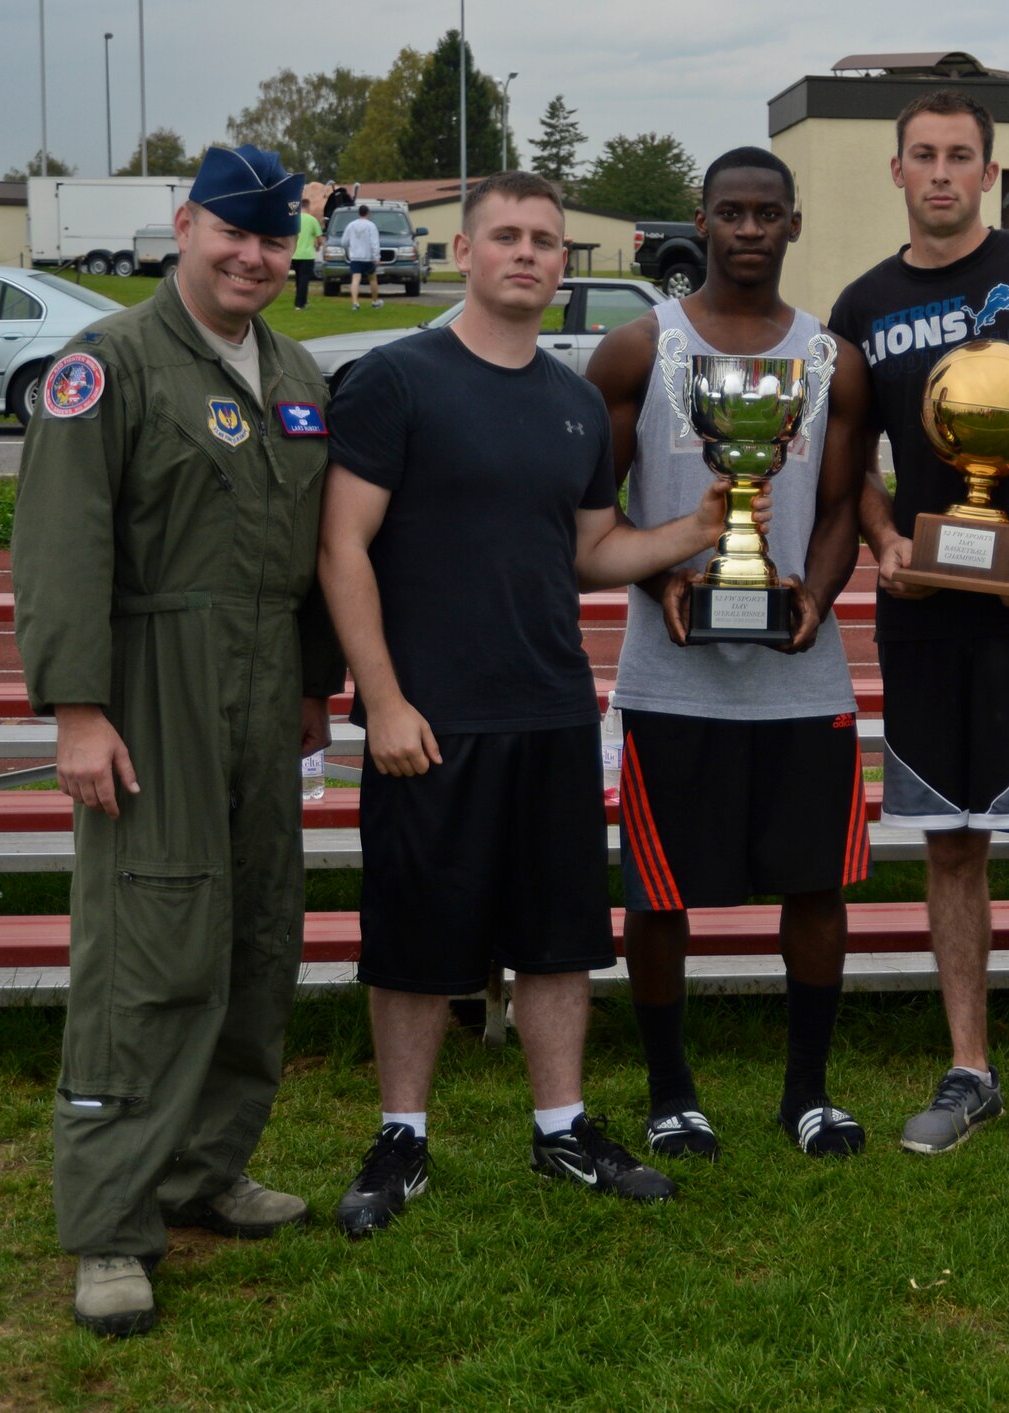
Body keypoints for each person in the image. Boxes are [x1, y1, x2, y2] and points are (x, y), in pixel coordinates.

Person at [318, 171, 742, 1236]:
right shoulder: (395, 380)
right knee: (414, 938)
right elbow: (342, 548)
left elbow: (594, 551)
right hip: (428, 718)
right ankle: (400, 1139)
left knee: (559, 939)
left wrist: (692, 534)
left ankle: (562, 1128)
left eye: (546, 241)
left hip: (551, 710)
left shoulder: (569, 402)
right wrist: (383, 699)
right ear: (460, 252)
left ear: (565, 264)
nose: (527, 253)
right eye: (504, 236)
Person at [13, 144, 337, 1336]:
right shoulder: (109, 369)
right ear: (183, 224)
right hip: (151, 689)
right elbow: (60, 546)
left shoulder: (294, 369)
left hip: (263, 693)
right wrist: (79, 711)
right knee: (148, 947)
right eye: (233, 234)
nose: (254, 258)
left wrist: (314, 685)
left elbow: (304, 557)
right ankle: (109, 1223)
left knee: (258, 929)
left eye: (275, 239)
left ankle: (206, 1169)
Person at [829, 90, 1009, 1175]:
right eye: (922, 156)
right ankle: (969, 1070)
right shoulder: (860, 303)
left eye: (960, 156)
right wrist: (880, 541)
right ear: (894, 171)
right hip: (921, 620)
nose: (941, 172)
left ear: (988, 172)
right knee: (948, 848)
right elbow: (848, 457)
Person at [584, 147, 873, 1160]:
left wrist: (816, 595)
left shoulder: (833, 359)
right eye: (729, 213)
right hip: (673, 674)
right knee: (659, 893)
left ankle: (806, 1093)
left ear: (794, 224)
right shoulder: (635, 350)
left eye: (767, 214)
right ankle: (671, 1093)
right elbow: (593, 510)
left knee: (816, 888)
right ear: (699, 223)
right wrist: (659, 576)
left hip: (800, 670)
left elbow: (839, 508)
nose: (748, 230)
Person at [343, 203, 381, 310]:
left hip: (355, 257)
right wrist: (376, 257)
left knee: (355, 279)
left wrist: (351, 245)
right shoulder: (371, 225)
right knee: (372, 279)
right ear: (368, 213)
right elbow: (375, 243)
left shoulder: (351, 225)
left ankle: (355, 303)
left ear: (358, 213)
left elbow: (344, 241)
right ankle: (375, 301)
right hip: (368, 257)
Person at [292, 195, 322, 310]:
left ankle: (303, 300)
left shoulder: (294, 219)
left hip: (295, 254)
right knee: (304, 279)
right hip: (307, 254)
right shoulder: (312, 220)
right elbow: (319, 237)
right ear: (307, 206)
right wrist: (318, 246)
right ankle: (299, 304)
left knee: (298, 278)